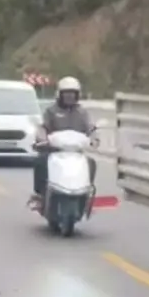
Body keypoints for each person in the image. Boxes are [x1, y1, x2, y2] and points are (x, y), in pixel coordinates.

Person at [30, 76, 98, 208]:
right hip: (54, 151)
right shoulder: (51, 111)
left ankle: (87, 193)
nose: (70, 97)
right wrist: (42, 139)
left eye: (73, 94)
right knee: (40, 162)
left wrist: (94, 138)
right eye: (66, 94)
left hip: (76, 152)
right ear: (59, 95)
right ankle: (40, 194)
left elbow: (91, 127)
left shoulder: (82, 112)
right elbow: (43, 127)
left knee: (91, 163)